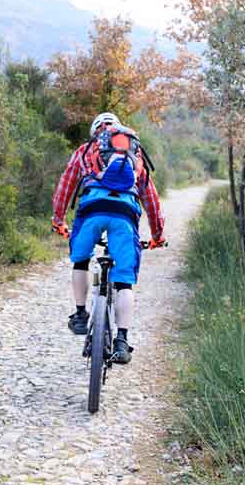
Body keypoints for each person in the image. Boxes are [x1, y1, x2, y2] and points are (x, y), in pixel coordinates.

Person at [51, 112, 166, 364]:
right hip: (124, 215)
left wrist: (58, 220)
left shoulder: (86, 150)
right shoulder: (134, 155)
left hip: (92, 209)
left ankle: (81, 314)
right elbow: (152, 201)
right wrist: (157, 235)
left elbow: (66, 185)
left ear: (96, 132)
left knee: (80, 260)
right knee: (124, 279)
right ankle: (122, 341)